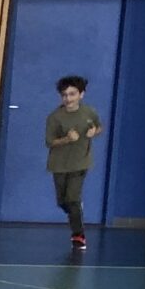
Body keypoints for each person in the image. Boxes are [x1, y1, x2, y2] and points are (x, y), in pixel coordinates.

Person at [46, 73, 105, 249]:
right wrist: (66, 139)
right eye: (64, 95)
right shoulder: (55, 117)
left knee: (72, 197)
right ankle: (76, 209)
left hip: (80, 162)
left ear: (81, 94)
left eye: (72, 94)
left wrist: (94, 132)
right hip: (59, 164)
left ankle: (78, 235)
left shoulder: (89, 112)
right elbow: (50, 142)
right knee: (63, 202)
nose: (68, 99)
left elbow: (99, 127)